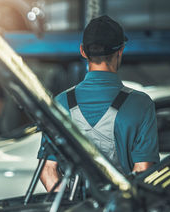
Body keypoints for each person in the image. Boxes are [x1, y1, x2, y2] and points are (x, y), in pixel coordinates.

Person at [37, 15, 160, 192]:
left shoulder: (61, 102)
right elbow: (143, 170)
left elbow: (48, 169)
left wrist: (70, 209)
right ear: (121, 50)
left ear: (83, 51)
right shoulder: (140, 104)